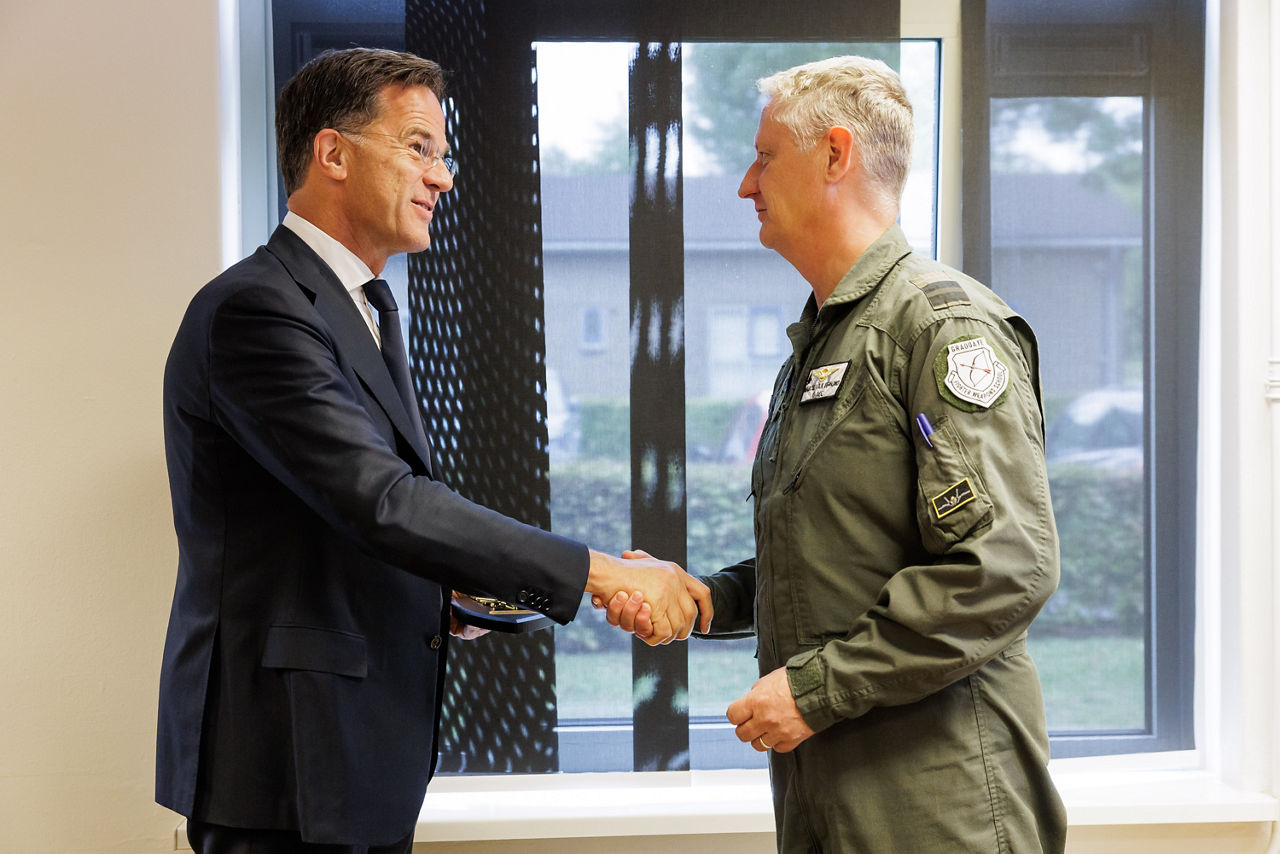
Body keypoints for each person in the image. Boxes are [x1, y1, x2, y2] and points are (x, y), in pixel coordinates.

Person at [156, 47, 711, 854]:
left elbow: (329, 523)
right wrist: (605, 571)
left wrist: (441, 598)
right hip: (286, 764)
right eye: (418, 148)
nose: (442, 177)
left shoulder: (362, 307)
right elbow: (383, 501)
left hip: (353, 756)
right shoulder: (258, 311)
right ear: (333, 153)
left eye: (443, 156)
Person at [610, 56, 1067, 852]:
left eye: (763, 157)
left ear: (835, 154)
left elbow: (1005, 565)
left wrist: (815, 689)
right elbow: (836, 559)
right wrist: (709, 598)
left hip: (938, 806)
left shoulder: (937, 325)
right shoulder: (824, 344)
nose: (747, 185)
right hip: (830, 798)